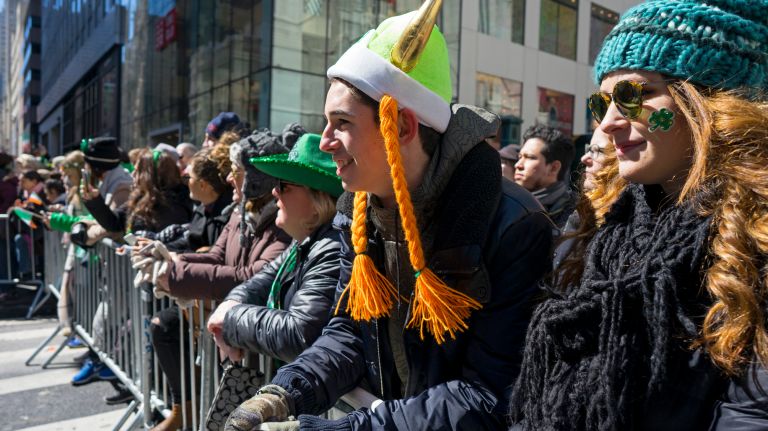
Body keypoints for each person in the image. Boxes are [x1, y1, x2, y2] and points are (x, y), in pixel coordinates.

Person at [223, 5, 553, 430]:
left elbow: (490, 392)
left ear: (401, 126)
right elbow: (348, 332)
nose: (325, 142)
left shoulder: (515, 226)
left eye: (341, 122)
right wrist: (285, 391)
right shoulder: (357, 214)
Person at [509, 1, 768, 429]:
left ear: (709, 102)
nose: (608, 123)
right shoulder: (601, 223)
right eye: (603, 102)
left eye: (634, 95)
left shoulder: (754, 239)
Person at [144, 127, 296, 431]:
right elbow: (216, 256)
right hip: (232, 340)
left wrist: (176, 273)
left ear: (258, 176)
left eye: (236, 171)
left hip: (259, 348)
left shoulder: (282, 219)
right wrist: (168, 260)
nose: (228, 179)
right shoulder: (240, 213)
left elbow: (252, 275)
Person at [207, 132, 344, 365]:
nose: (274, 191)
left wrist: (230, 320)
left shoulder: (333, 249)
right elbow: (261, 281)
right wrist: (231, 304)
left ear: (317, 199)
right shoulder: (304, 242)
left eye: (284, 185)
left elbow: (299, 334)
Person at [159, 144, 234, 253]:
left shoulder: (231, 216)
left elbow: (224, 255)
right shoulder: (202, 210)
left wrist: (210, 251)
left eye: (188, 177)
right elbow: (190, 242)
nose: (186, 182)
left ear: (203, 185)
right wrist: (158, 248)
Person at [513, 124, 576, 228]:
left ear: (554, 168)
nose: (518, 165)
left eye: (529, 157)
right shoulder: (505, 202)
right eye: (519, 157)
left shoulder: (573, 215)